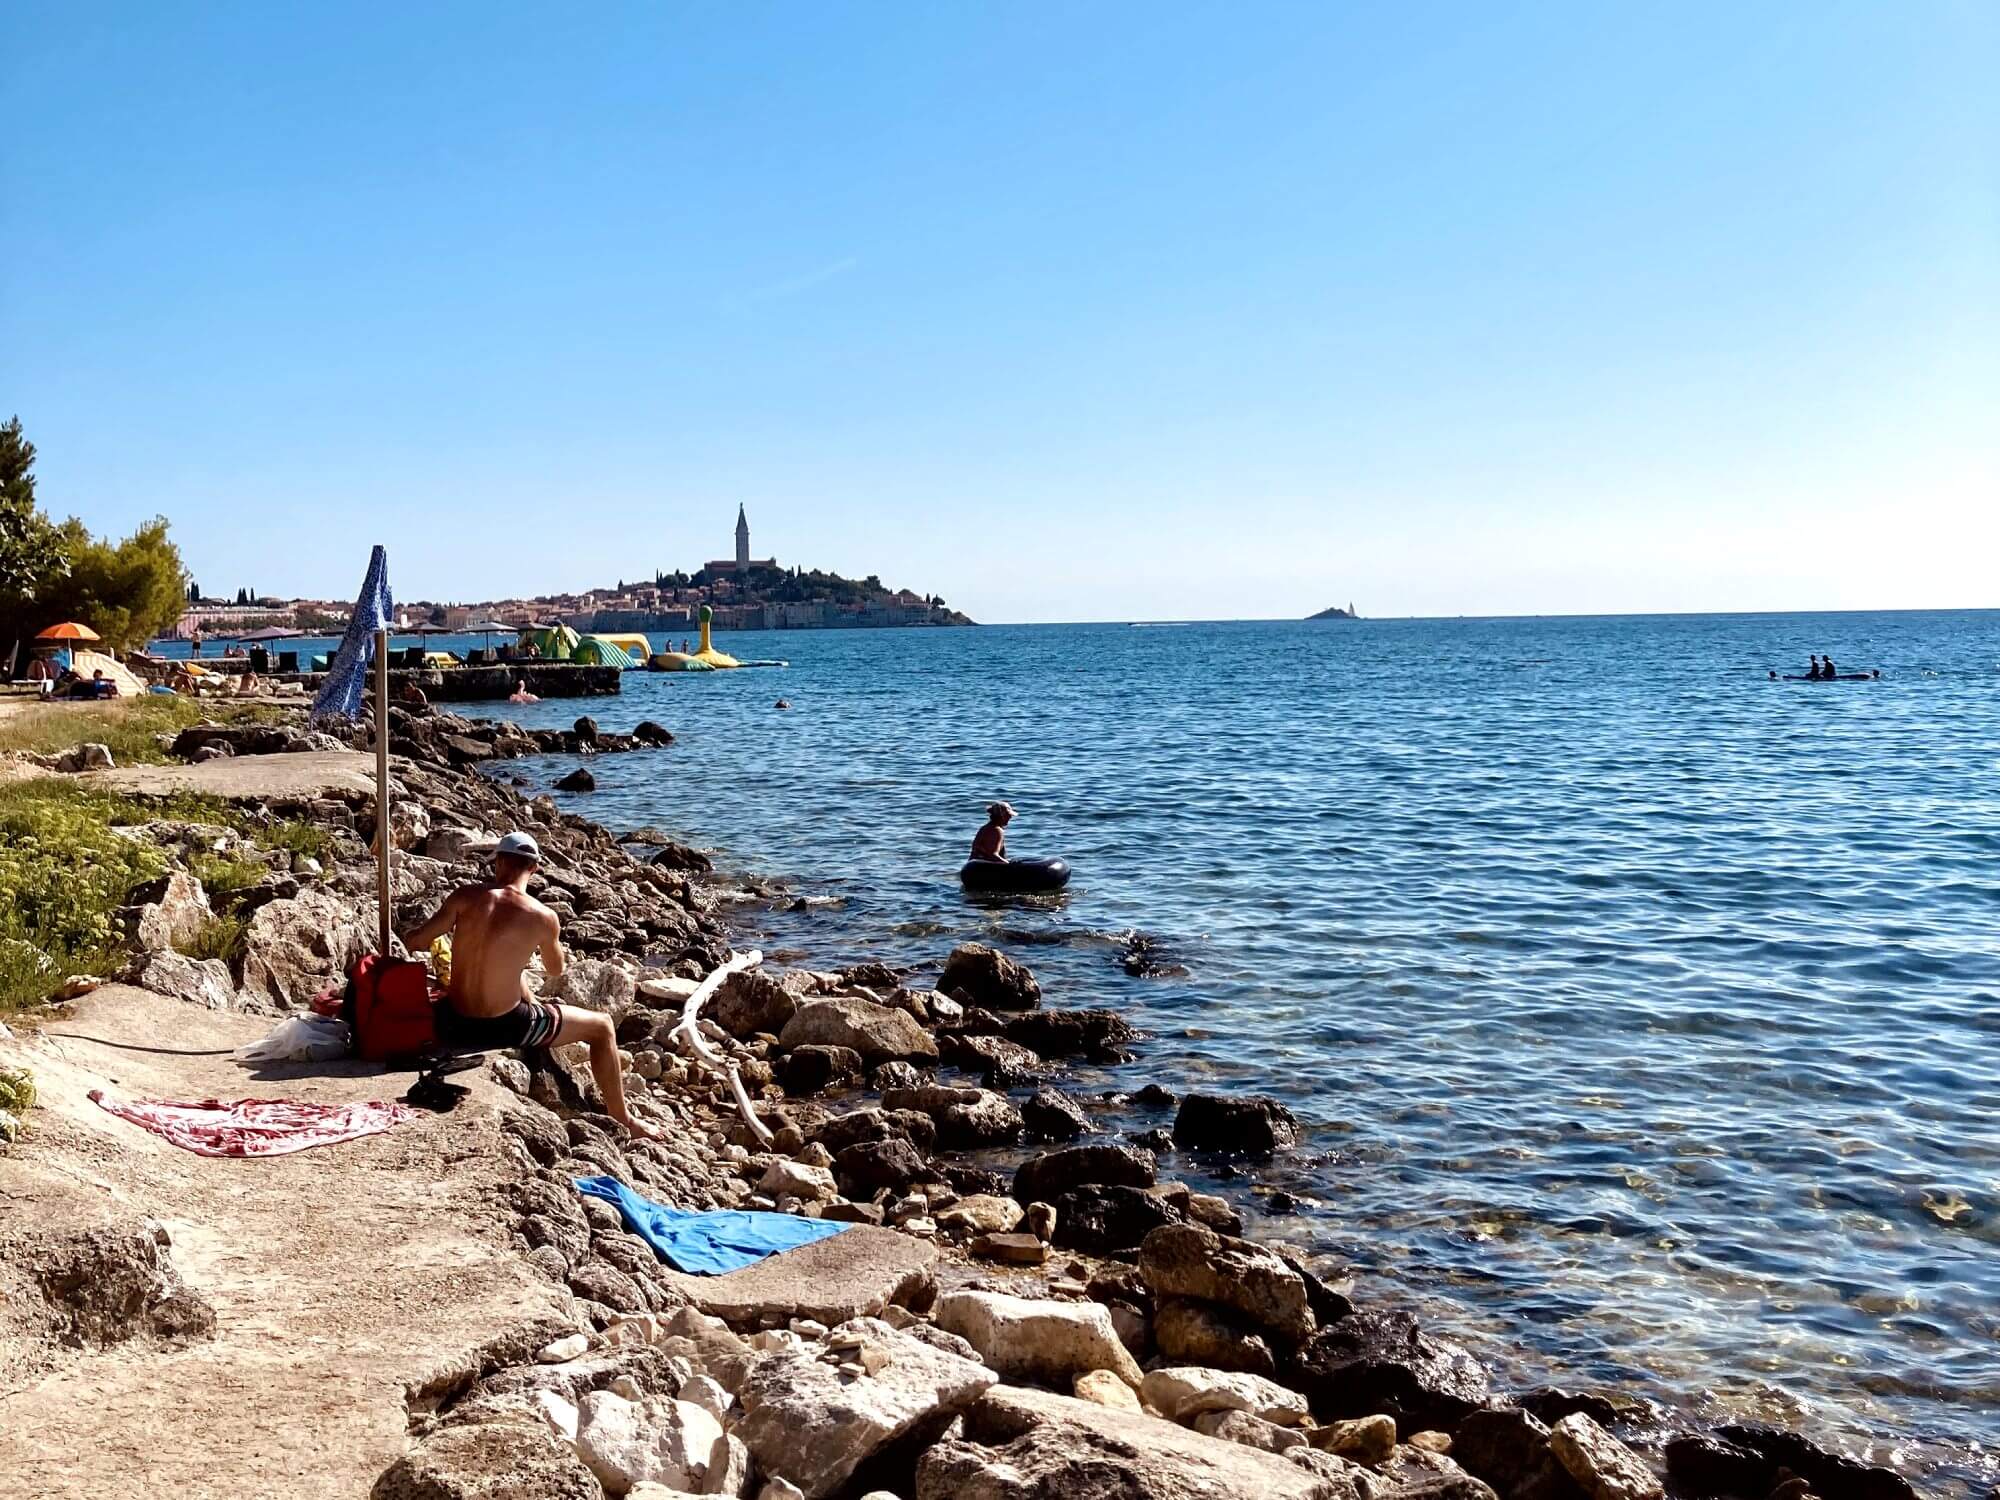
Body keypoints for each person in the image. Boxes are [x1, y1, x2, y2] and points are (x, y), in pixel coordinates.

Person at [401, 831, 658, 1140]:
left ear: (498, 863)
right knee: (602, 1027)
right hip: (505, 1026)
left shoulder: (464, 896)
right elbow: (555, 969)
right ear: (534, 868)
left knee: (514, 980)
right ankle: (625, 1118)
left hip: (453, 1020)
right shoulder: (543, 916)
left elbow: (417, 941)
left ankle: (523, 1000)